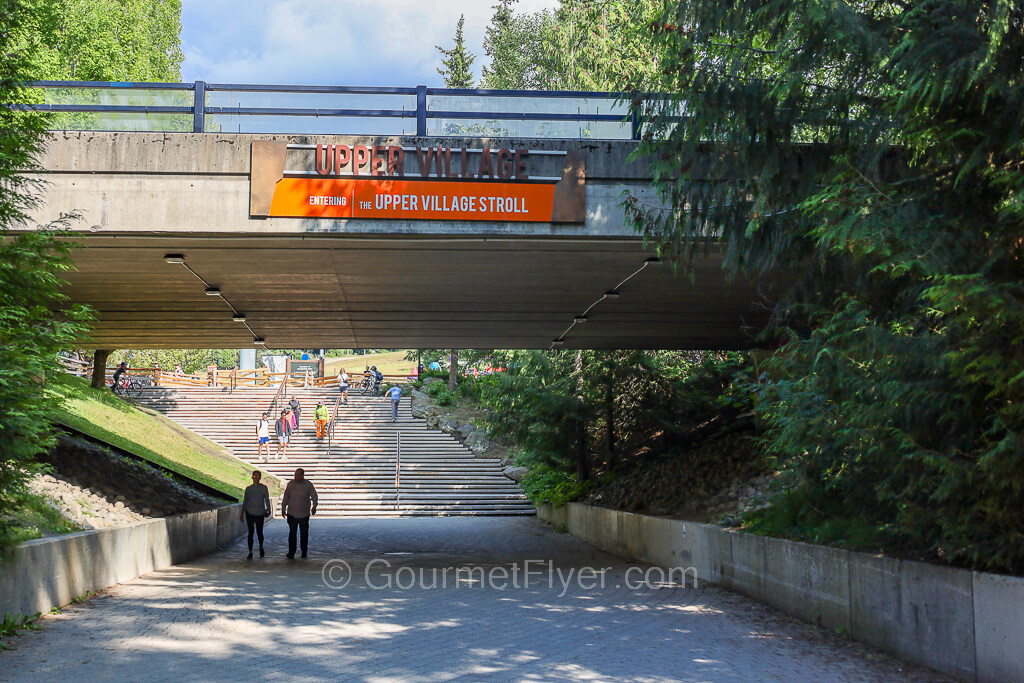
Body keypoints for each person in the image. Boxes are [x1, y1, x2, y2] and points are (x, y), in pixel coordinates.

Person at [281, 468, 318, 559]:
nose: (296, 477)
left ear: (302, 475)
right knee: (292, 534)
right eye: (295, 475)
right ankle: (291, 552)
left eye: (298, 475)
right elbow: (286, 497)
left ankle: (304, 551)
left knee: (304, 534)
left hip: (304, 514)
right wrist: (283, 508)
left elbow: (314, 496)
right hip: (292, 513)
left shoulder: (308, 484)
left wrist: (314, 506)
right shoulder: (290, 484)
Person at [239, 470, 272, 559]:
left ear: (260, 478)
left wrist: (269, 510)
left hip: (260, 513)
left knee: (259, 532)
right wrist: (242, 513)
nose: (256, 478)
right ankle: (250, 551)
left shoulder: (264, 488)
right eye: (254, 476)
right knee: (251, 532)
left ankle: (261, 546)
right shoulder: (248, 489)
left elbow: (267, 499)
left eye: (258, 476)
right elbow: (245, 501)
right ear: (252, 477)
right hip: (250, 513)